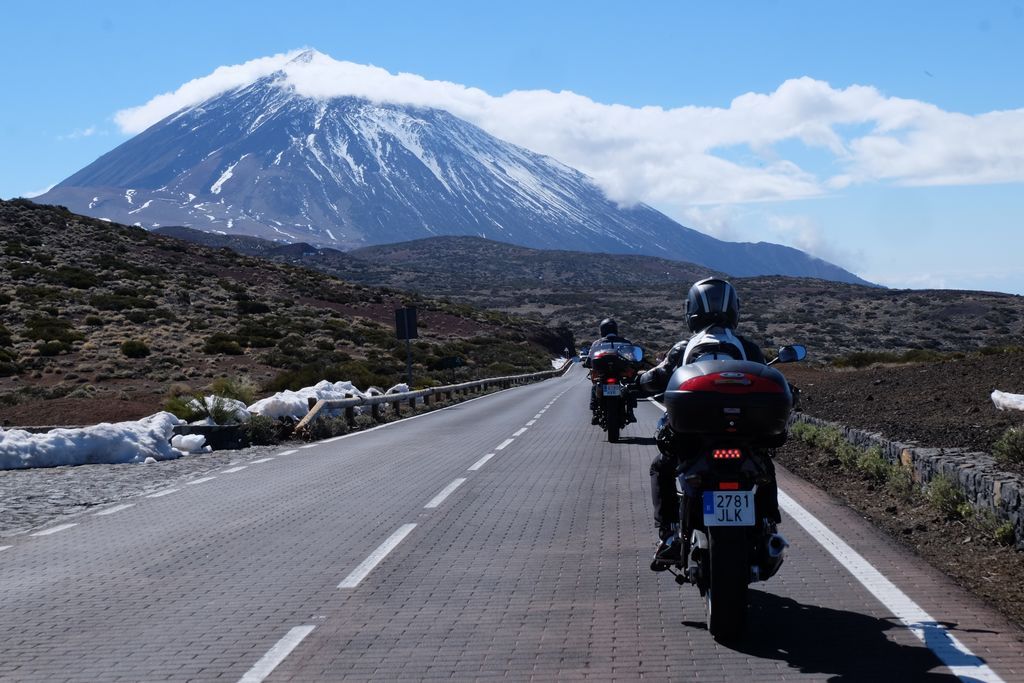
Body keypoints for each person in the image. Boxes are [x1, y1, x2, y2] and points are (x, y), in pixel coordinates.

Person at [634, 278, 770, 568]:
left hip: (694, 437)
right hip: (741, 434)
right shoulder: (747, 347)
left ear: (691, 310)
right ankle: (769, 527)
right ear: (734, 309)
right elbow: (764, 376)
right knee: (764, 464)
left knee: (662, 466)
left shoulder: (684, 348)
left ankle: (668, 535)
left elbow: (656, 377)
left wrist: (638, 382)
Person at [586, 318, 638, 424]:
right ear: (615, 330)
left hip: (603, 374)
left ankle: (595, 413)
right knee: (630, 388)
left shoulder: (596, 344)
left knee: (595, 388)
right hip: (620, 374)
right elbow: (633, 358)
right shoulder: (626, 342)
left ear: (602, 330)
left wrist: (587, 364)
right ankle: (630, 412)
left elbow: (589, 360)